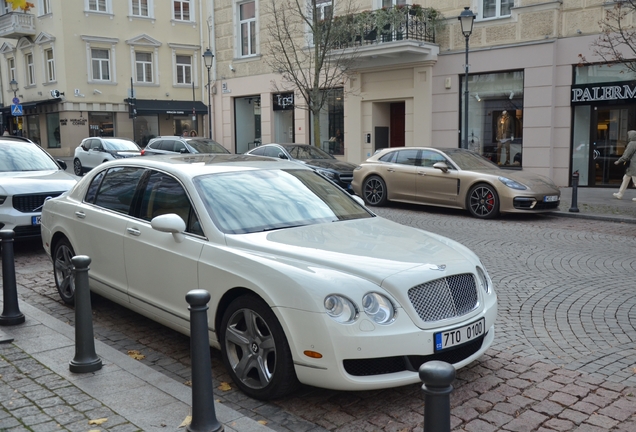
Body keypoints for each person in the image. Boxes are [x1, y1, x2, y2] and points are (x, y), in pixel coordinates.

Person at [613, 129, 636, 201]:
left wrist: (619, 161)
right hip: (633, 165)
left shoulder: (632, 143)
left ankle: (620, 193)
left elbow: (627, 155)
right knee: (626, 178)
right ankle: (620, 193)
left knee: (635, 180)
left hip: (634, 165)